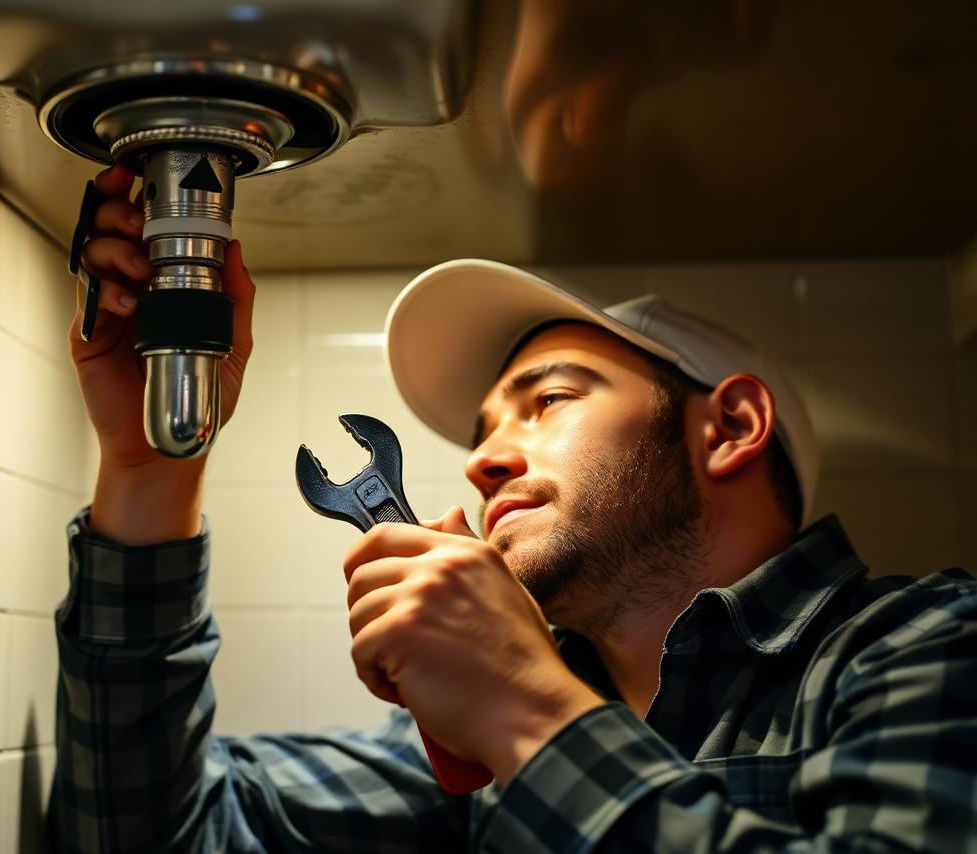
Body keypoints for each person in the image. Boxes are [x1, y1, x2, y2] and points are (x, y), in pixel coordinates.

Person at [49, 164, 976, 853]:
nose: (485, 459)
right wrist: (148, 466)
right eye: (485, 428)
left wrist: (526, 708)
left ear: (730, 424)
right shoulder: (461, 759)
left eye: (551, 399)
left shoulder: (928, 644)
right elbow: (150, 835)